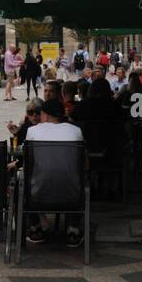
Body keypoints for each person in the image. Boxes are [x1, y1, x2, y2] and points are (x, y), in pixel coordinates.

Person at [23, 97, 86, 248]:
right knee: (76, 178)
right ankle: (73, 230)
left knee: (19, 182)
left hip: (37, 195)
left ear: (44, 115)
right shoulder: (76, 131)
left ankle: (35, 228)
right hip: (73, 196)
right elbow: (84, 164)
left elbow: (28, 164)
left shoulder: (32, 131)